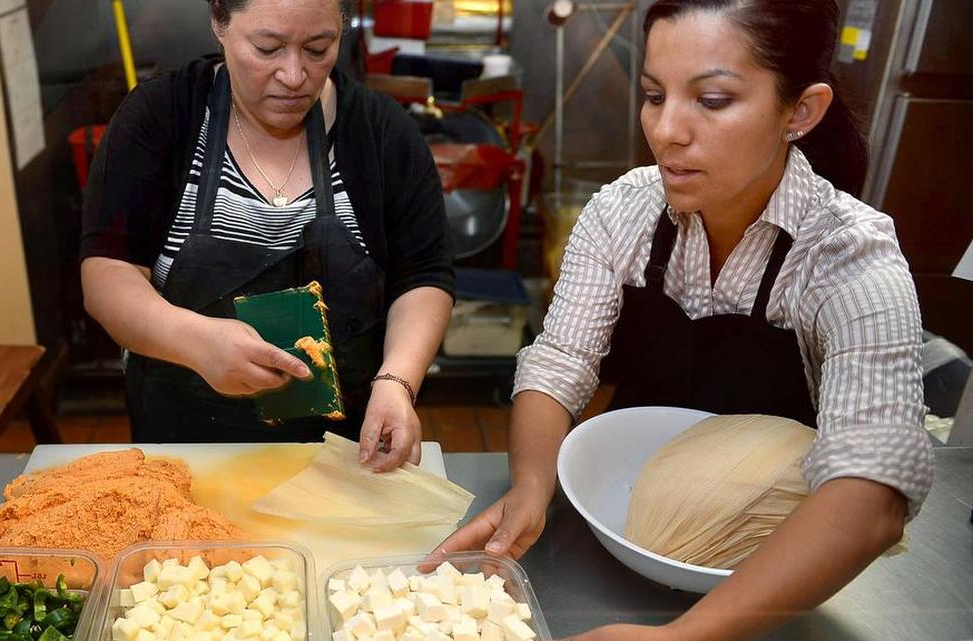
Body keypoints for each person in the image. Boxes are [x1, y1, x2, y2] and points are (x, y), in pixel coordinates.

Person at [434, 1, 934, 639]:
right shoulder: (623, 213)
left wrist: (681, 638)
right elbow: (558, 364)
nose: (667, 129)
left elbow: (872, 496)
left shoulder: (849, 259)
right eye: (652, 95)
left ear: (800, 111)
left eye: (714, 100)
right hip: (619, 525)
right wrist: (533, 487)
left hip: (766, 575)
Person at [80, 0, 454, 470]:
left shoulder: (381, 133)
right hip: (182, 455)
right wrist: (197, 342)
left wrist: (397, 381)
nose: (294, 75)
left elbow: (423, 277)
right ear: (219, 24)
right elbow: (107, 274)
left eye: (318, 49)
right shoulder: (161, 116)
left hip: (346, 460)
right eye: (267, 48)